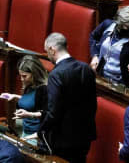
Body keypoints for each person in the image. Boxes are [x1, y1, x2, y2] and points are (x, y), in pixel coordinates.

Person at [38, 32, 96, 163]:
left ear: (52, 50)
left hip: (63, 138)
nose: (47, 55)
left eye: (47, 51)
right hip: (84, 136)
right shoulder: (86, 68)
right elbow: (92, 104)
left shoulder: (56, 74)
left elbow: (54, 111)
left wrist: (42, 129)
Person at [89, 5, 129, 88]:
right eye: (126, 27)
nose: (128, 31)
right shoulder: (107, 25)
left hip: (121, 82)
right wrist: (95, 55)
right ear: (118, 22)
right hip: (100, 76)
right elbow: (93, 37)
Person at [0, 55, 48, 136]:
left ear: (35, 74)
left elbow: (47, 113)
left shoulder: (44, 89)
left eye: (24, 76)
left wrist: (28, 114)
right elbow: (32, 101)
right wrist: (15, 96)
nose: (21, 79)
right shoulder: (29, 84)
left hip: (37, 134)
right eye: (20, 75)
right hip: (26, 130)